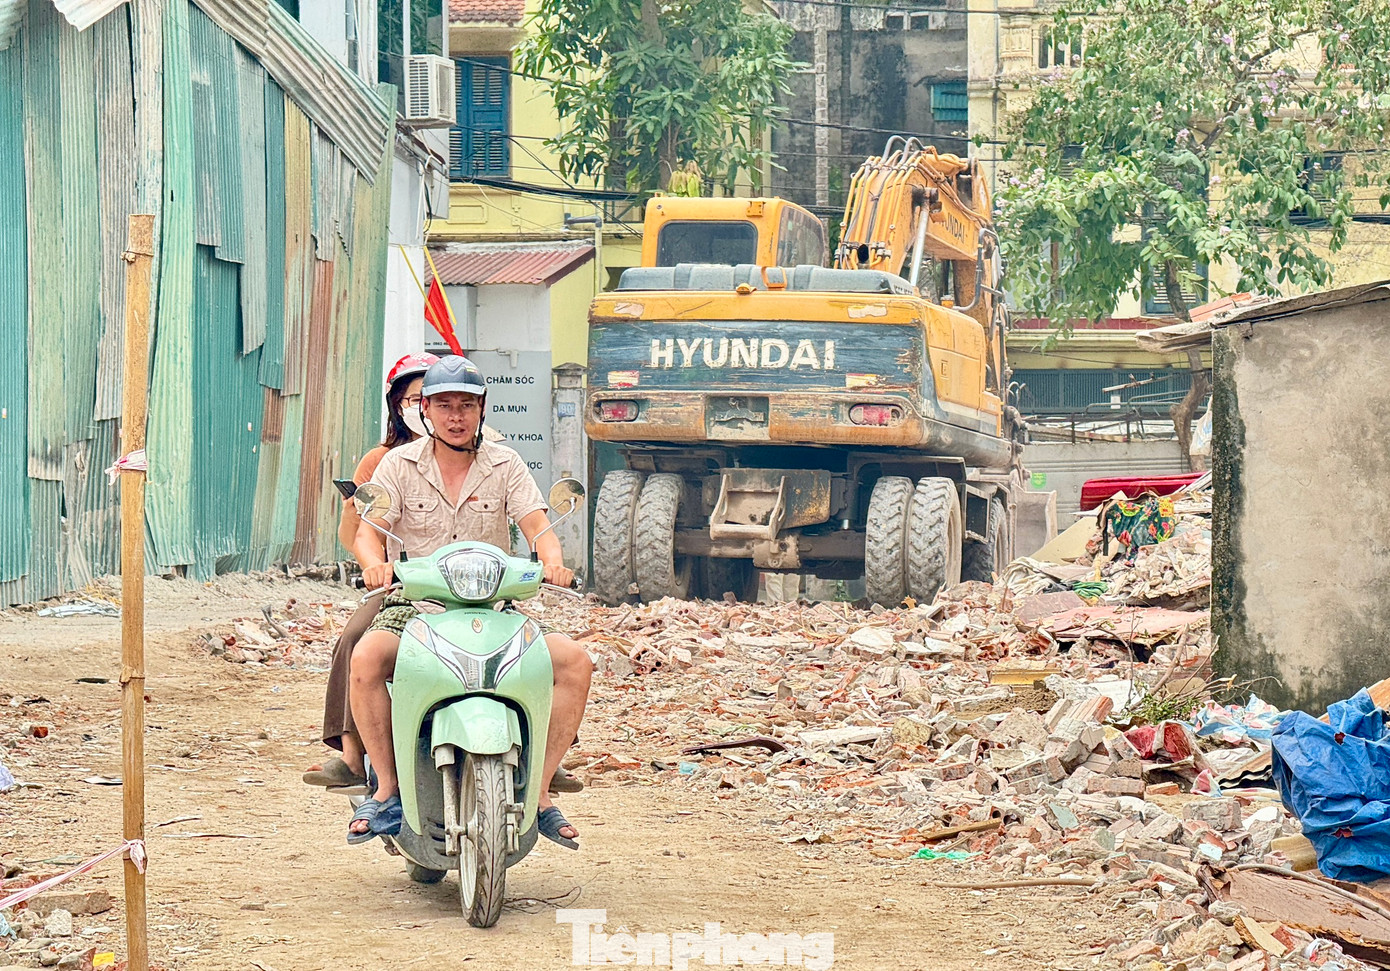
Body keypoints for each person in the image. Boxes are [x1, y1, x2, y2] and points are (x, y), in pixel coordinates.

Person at [346, 356, 593, 850]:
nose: (455, 416)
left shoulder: (506, 464)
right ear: (425, 412)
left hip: (494, 609)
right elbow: (367, 534)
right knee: (366, 657)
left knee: (576, 663)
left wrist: (552, 563)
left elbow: (538, 528)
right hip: (417, 605)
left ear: (482, 409)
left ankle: (540, 794)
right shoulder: (398, 464)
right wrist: (374, 562)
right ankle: (389, 791)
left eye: (466, 405)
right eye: (443, 405)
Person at [302, 352, 439, 793]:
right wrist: (375, 565)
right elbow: (359, 536)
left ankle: (544, 758)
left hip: (470, 584)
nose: (425, 408)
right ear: (398, 404)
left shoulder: (481, 454)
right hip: (404, 584)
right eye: (414, 399)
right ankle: (352, 754)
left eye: (431, 398)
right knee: (355, 639)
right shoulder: (381, 461)